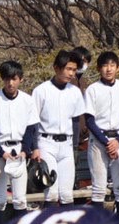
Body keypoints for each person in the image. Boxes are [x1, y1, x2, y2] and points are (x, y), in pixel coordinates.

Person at [0, 60, 42, 224]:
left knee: (20, 199)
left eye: (14, 78)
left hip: (18, 151)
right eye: (7, 79)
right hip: (0, 149)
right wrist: (1, 152)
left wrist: (25, 150)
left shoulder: (27, 100)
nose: (10, 83)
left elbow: (31, 128)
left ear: (20, 79)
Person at [83, 51, 119, 223]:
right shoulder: (93, 89)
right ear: (99, 68)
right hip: (99, 141)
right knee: (99, 189)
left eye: (112, 65)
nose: (108, 69)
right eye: (105, 65)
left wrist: (118, 141)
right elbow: (89, 120)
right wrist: (106, 142)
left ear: (118, 68)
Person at [33, 51, 88, 207]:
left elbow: (76, 121)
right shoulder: (41, 90)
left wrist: (75, 147)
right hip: (46, 142)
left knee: (66, 193)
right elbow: (33, 122)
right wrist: (35, 147)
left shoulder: (75, 92)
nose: (71, 73)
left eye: (73, 69)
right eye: (68, 68)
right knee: (51, 191)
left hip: (67, 144)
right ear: (56, 68)